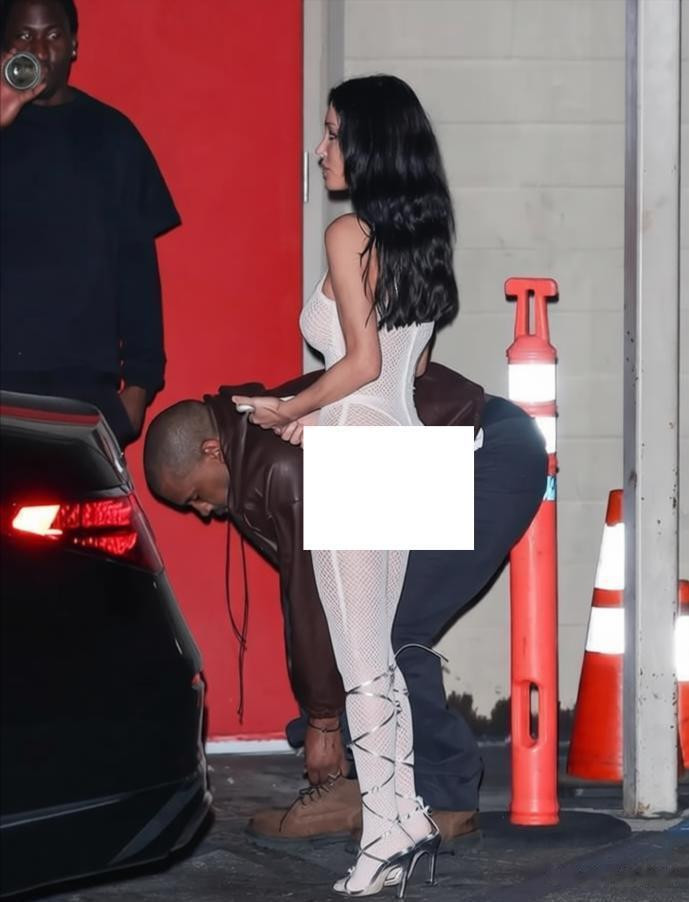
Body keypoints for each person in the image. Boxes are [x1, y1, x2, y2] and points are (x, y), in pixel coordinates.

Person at [232, 76, 546, 896]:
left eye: (331, 132)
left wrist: (293, 407)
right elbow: (400, 369)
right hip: (401, 439)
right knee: (382, 651)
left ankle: (385, 829)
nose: (320, 149)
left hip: (362, 444)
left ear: (368, 142)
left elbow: (361, 363)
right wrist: (319, 418)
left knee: (364, 659)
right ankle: (400, 813)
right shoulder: (419, 238)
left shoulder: (347, 233)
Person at [143, 365, 546, 859]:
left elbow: (312, 596)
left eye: (195, 496)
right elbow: (312, 595)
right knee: (352, 618)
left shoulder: (278, 467)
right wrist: (322, 719)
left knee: (388, 628)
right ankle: (354, 784)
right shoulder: (250, 460)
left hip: (487, 455)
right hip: (436, 461)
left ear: (211, 450)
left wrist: (325, 723)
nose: (203, 511)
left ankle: (446, 797)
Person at [0, 0, 180, 447]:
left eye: (53, 35)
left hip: (83, 387)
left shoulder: (112, 136)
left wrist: (140, 384)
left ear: (74, 44)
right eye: (24, 35)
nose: (40, 50)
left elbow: (138, 269)